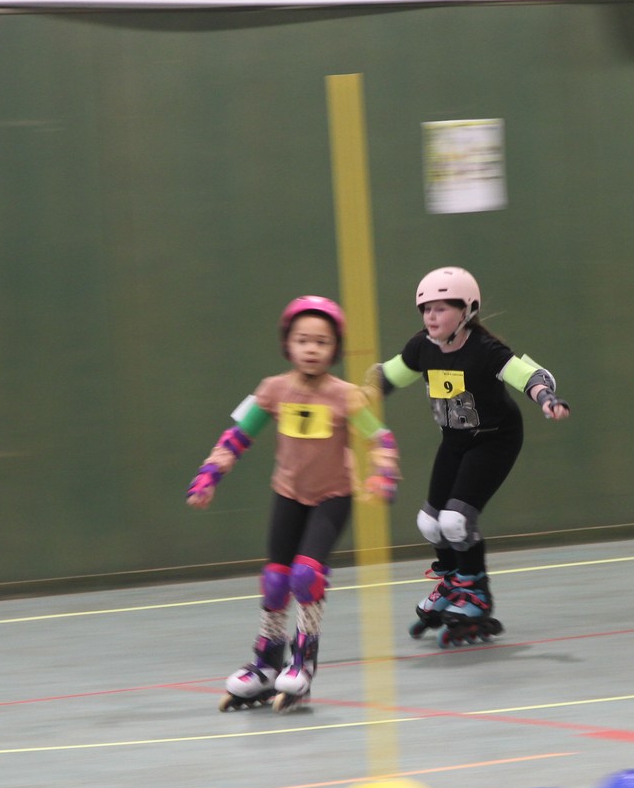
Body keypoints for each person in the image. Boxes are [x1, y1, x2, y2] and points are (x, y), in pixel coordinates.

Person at [187, 296, 399, 712]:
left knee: (306, 575)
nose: (312, 349)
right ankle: (267, 663)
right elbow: (238, 436)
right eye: (303, 340)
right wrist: (210, 474)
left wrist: (383, 474)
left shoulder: (346, 396)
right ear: (288, 344)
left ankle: (303, 661)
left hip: (332, 497)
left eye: (322, 342)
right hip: (287, 494)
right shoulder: (274, 389)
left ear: (335, 349)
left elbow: (381, 438)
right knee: (276, 579)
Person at [369, 266, 570, 647]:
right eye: (426, 309)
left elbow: (527, 376)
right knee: (430, 524)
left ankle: (476, 595)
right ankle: (453, 582)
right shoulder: (422, 347)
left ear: (467, 311)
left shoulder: (485, 350)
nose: (431, 317)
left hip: (495, 439)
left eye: (441, 309)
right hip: (456, 440)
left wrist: (547, 399)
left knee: (456, 521)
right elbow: (388, 377)